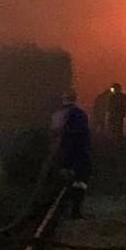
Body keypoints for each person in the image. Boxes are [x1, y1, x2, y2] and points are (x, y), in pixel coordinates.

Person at [51, 90, 91, 218]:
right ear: (75, 99)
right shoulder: (81, 114)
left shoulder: (57, 115)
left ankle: (61, 208)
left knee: (64, 181)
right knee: (80, 181)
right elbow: (85, 134)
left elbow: (54, 133)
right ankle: (75, 210)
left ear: (63, 100)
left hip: (63, 153)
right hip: (80, 152)